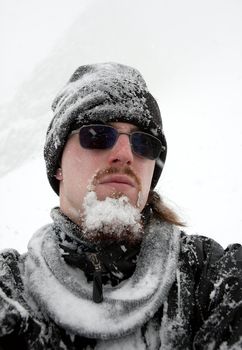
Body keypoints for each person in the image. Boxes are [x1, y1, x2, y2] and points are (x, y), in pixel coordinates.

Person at [0, 63, 241, 350]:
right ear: (57, 166)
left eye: (144, 143)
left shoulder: (209, 275)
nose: (125, 154)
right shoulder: (11, 288)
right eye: (98, 135)